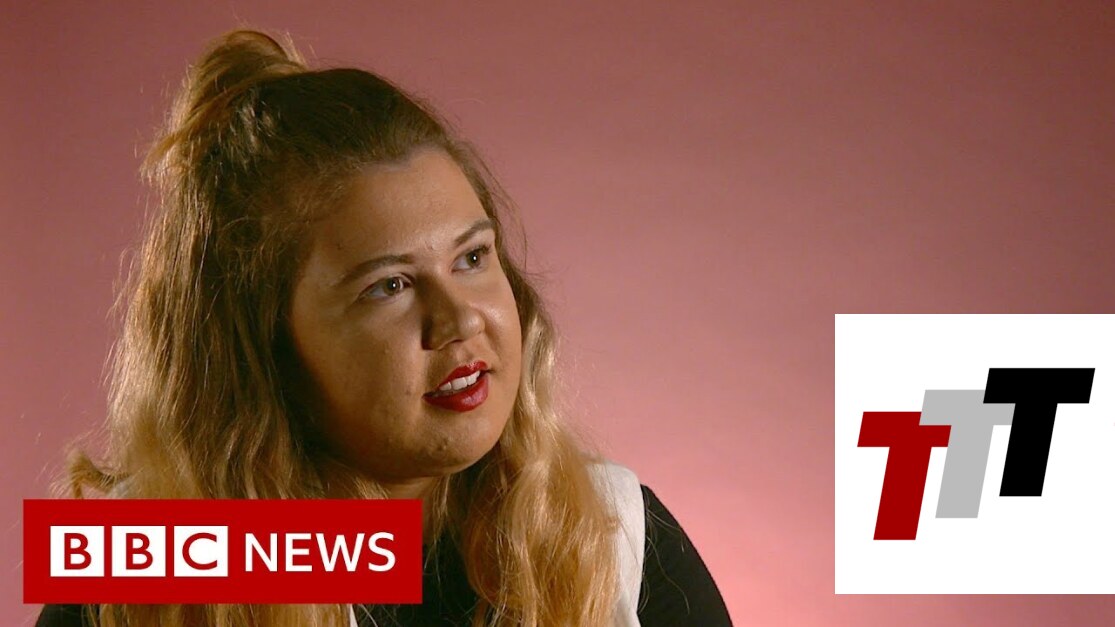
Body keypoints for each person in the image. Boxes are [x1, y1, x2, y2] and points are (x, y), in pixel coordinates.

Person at [36, 29, 731, 627]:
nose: (460, 318)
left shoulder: (617, 536)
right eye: (389, 286)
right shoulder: (138, 569)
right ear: (261, 344)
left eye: (472, 258)